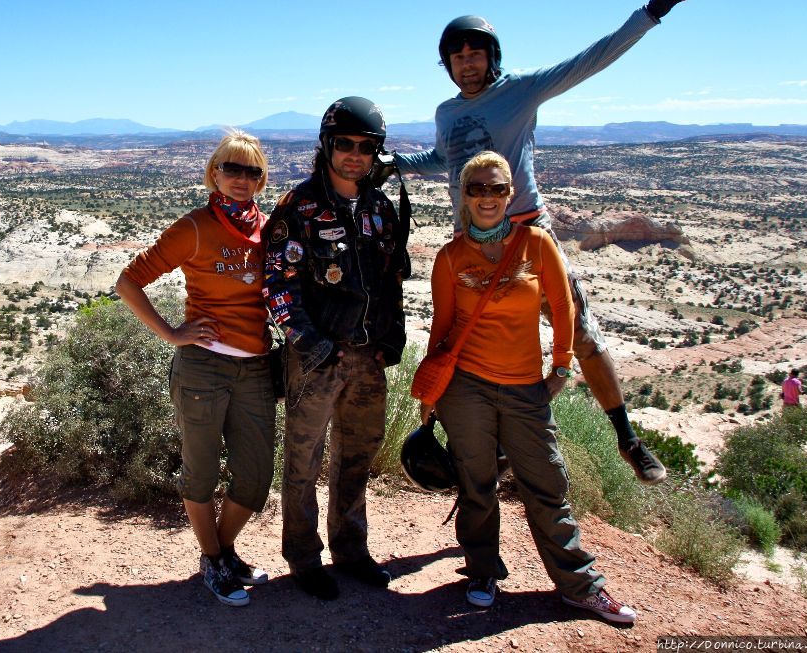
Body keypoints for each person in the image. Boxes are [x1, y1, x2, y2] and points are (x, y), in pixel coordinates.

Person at [393, 0, 695, 485]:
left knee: (581, 333)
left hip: (529, 237)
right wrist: (392, 163)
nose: (467, 62)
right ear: (447, 65)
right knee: (458, 343)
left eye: (475, 53)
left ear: (491, 55)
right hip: (471, 246)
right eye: (457, 56)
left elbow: (589, 60)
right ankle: (468, 450)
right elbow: (445, 159)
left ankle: (628, 440)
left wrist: (650, 14)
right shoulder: (446, 112)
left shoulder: (522, 91)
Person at [425, 150, 637, 624]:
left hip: (526, 388)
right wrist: (431, 391)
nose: (487, 197)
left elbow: (564, 309)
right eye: (477, 188)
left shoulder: (537, 244)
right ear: (464, 195)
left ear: (510, 193)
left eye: (496, 188)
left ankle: (581, 587)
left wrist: (560, 368)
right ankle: (481, 571)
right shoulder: (451, 256)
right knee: (476, 483)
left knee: (546, 485)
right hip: (466, 388)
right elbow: (443, 327)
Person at [115, 130, 275, 607]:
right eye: (232, 168)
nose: (241, 179)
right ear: (214, 173)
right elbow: (129, 281)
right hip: (203, 366)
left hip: (257, 367)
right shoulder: (195, 227)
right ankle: (215, 560)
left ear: (261, 179)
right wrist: (172, 333)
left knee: (255, 476)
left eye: (252, 171)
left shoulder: (270, 228)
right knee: (201, 472)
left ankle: (220, 552)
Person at [262, 96, 407, 601]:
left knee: (358, 457)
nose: (354, 154)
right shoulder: (298, 207)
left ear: (375, 153)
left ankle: (350, 549)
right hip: (316, 358)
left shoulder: (380, 209)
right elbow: (277, 285)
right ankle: (303, 557)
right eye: (344, 144)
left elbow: (391, 280)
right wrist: (308, 341)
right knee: (303, 461)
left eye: (365, 147)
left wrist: (394, 338)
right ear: (327, 145)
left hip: (368, 358)